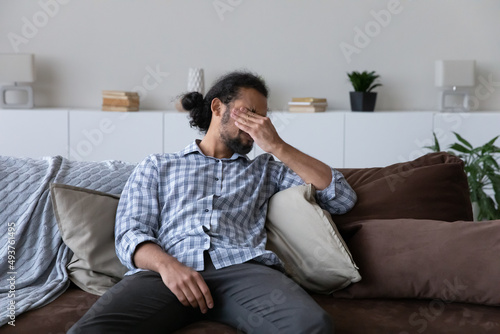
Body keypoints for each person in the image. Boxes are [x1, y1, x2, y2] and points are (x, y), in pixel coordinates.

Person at [69, 71, 357, 334]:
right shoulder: (158, 166)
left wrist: (278, 146)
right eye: (250, 113)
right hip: (168, 272)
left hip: (245, 271)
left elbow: (341, 198)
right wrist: (168, 267)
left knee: (313, 326)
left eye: (264, 117)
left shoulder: (267, 169)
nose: (258, 123)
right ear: (218, 108)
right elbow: (131, 233)